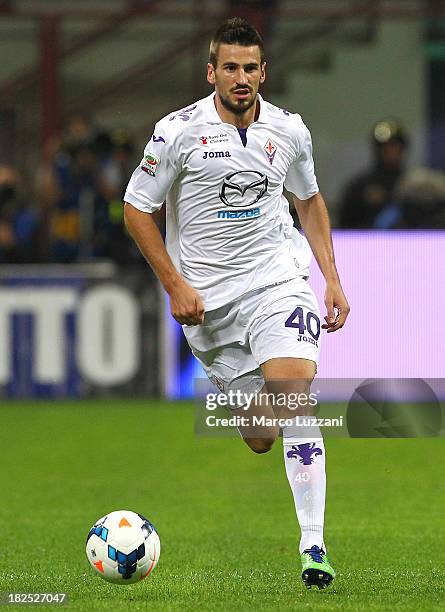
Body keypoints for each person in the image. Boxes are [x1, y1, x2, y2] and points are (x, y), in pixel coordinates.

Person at [124, 17, 349, 590]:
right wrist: (174, 284)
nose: (241, 77)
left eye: (250, 68)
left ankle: (313, 545)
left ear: (263, 72)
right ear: (212, 72)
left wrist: (331, 277)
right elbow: (136, 208)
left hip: (277, 281)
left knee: (294, 391)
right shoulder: (176, 132)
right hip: (210, 307)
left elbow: (310, 200)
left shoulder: (289, 130)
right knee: (258, 434)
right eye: (230, 67)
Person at [338, 119, 409, 228]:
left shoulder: (415, 185)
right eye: (385, 146)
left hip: (410, 242)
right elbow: (345, 224)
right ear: (377, 149)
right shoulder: (359, 186)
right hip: (367, 242)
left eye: (395, 145)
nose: (390, 150)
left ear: (402, 148)